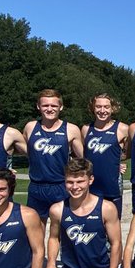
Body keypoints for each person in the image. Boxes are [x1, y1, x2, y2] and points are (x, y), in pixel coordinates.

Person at [23, 89, 84, 218]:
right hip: (36, 187)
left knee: (63, 229)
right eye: (45, 105)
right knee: (35, 231)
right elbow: (22, 150)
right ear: (38, 106)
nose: (49, 109)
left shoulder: (71, 129)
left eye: (54, 106)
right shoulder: (30, 127)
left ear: (60, 107)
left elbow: (84, 159)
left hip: (61, 186)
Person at [81, 93, 129, 217]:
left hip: (112, 187)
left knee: (113, 226)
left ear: (112, 108)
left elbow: (128, 152)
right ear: (93, 108)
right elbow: (82, 156)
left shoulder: (122, 129)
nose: (102, 111)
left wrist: (118, 163)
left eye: (106, 107)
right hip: (90, 187)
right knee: (91, 225)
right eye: (98, 107)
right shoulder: (86, 129)